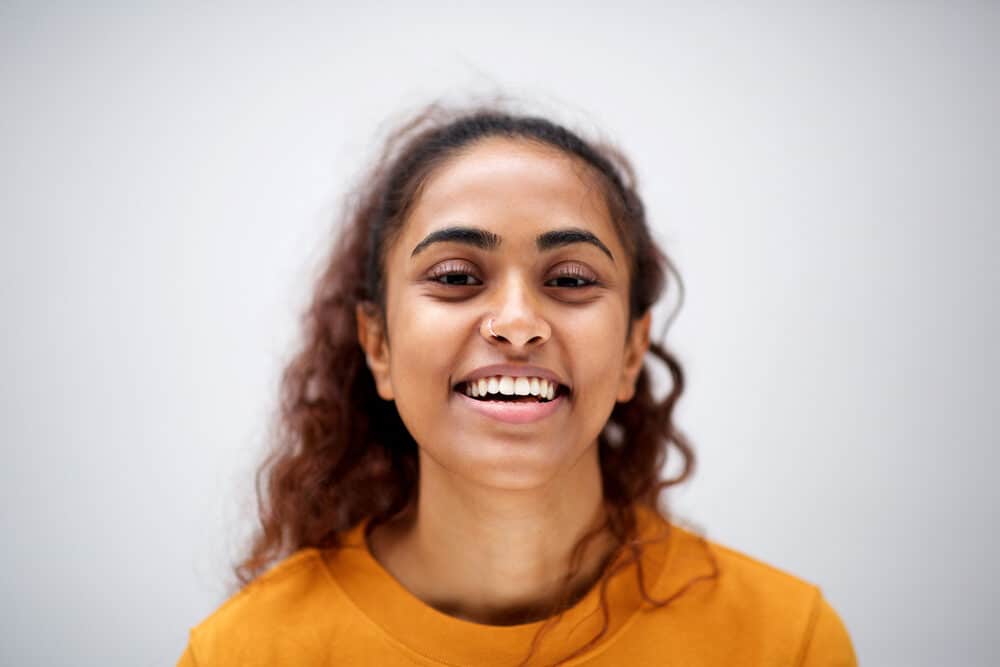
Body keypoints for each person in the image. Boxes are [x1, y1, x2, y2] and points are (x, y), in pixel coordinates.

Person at [177, 106, 857, 666]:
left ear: (631, 351)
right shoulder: (244, 652)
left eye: (569, 280)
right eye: (454, 276)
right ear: (378, 344)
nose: (517, 324)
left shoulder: (784, 641)